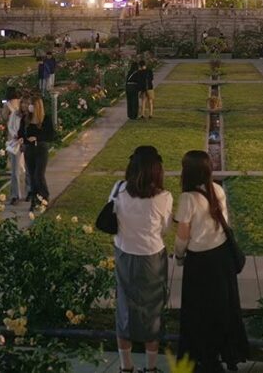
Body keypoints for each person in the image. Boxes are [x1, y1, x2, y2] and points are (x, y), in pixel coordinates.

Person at [175, 150, 250, 373]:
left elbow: (182, 236)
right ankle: (228, 353)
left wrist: (179, 257)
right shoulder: (217, 190)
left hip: (200, 262)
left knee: (198, 312)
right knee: (224, 308)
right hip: (222, 258)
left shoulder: (187, 199)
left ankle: (204, 357)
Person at [112, 146, 172, 373]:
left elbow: (113, 216)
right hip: (152, 256)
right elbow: (165, 228)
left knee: (124, 307)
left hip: (125, 253)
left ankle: (126, 367)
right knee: (152, 310)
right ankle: (151, 367)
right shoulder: (164, 197)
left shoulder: (119, 189)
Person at [23, 95, 54, 209]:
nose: (29, 106)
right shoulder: (27, 119)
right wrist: (24, 139)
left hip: (41, 148)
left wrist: (37, 137)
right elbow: (22, 133)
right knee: (31, 175)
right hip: (29, 149)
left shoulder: (46, 119)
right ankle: (35, 198)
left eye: (32, 104)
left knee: (38, 174)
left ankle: (44, 195)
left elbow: (50, 135)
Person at [4, 89, 27, 205]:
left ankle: (30, 192)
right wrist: (16, 136)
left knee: (30, 169)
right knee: (15, 170)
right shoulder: (14, 114)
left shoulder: (29, 116)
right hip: (16, 142)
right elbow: (10, 126)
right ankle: (15, 194)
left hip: (27, 142)